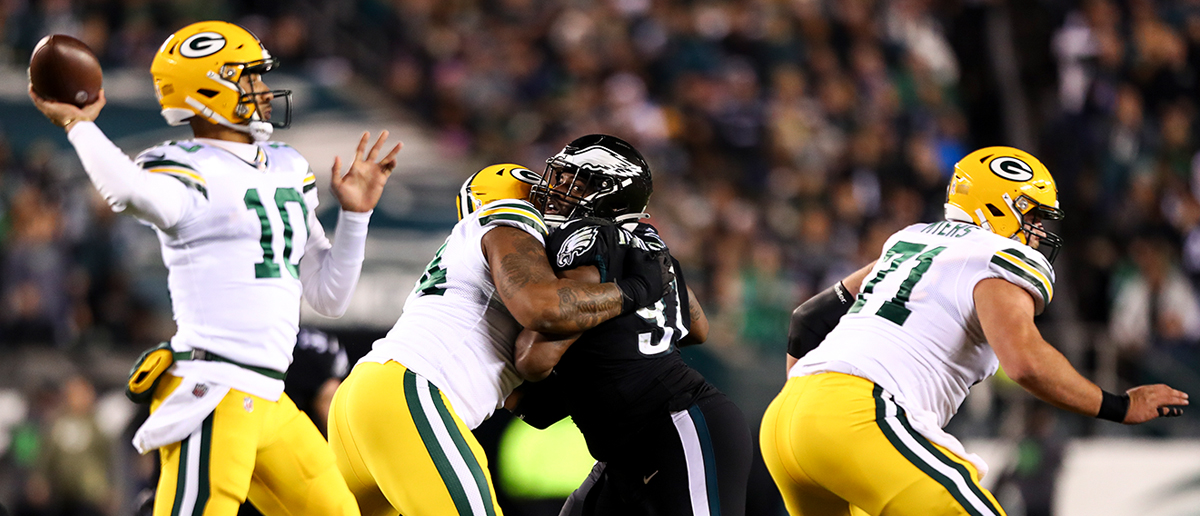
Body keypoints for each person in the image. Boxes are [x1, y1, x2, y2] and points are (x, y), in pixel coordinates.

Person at [29, 21, 397, 516]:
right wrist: (81, 125)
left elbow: (330, 297)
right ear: (208, 88)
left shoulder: (287, 166)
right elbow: (128, 191)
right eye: (250, 78)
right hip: (218, 385)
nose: (264, 90)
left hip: (269, 391)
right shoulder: (185, 165)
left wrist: (356, 215)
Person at [761, 146, 1189, 516]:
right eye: (1033, 216)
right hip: (858, 413)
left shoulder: (911, 239)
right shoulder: (995, 255)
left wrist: (812, 404)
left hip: (785, 420)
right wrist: (1117, 405)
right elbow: (1024, 362)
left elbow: (806, 320)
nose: (1038, 234)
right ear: (1000, 205)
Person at [327, 163, 673, 516]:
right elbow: (542, 308)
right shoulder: (510, 215)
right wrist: (634, 290)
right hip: (410, 392)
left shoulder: (472, 275)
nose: (555, 201)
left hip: (365, 397)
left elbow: (533, 404)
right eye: (545, 194)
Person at [512, 134, 752, 516]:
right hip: (634, 445)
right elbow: (696, 327)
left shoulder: (588, 236)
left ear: (609, 191)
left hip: (673, 426)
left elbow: (534, 358)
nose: (555, 189)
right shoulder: (647, 241)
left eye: (572, 180)